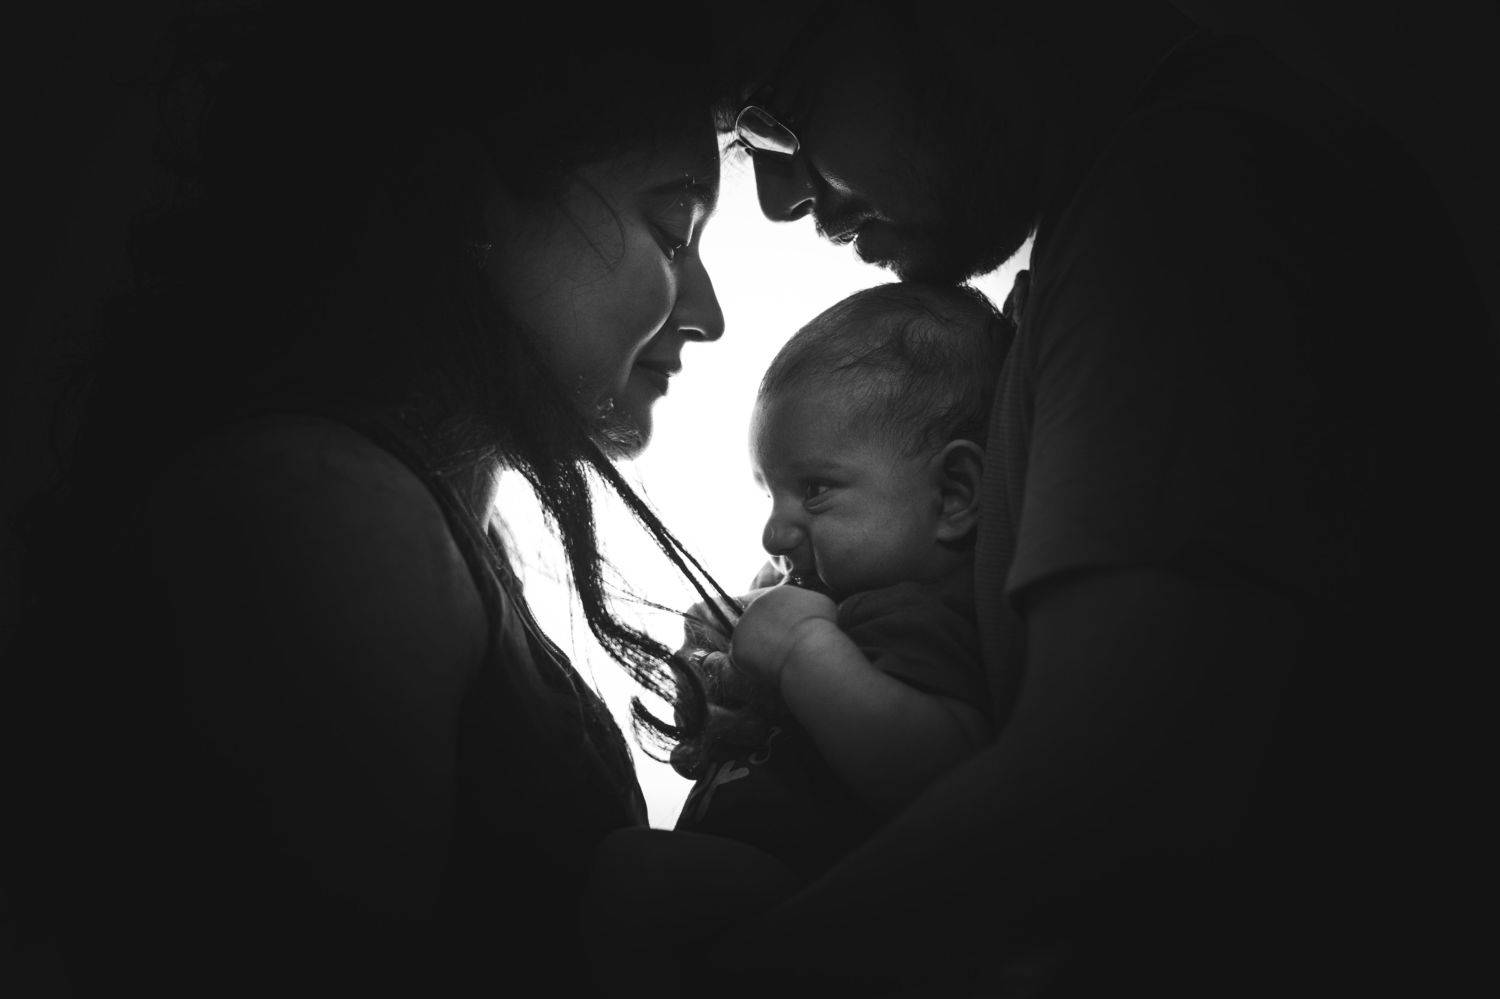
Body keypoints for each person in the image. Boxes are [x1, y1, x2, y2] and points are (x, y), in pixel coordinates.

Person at [684, 0, 1500, 995]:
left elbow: (1113, 793)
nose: (777, 197)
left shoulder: (1188, 198)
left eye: (780, 109)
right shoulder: (1130, 209)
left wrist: (734, 974)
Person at [0, 4, 741, 995]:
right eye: (673, 230)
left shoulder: (405, 521)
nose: (709, 314)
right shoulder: (326, 513)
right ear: (468, 200)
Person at [672, 282, 1012, 880]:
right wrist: (716, 678)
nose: (773, 535)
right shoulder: (825, 589)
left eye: (815, 490)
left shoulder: (919, 613)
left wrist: (801, 651)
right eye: (770, 493)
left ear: (953, 494)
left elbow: (949, 780)